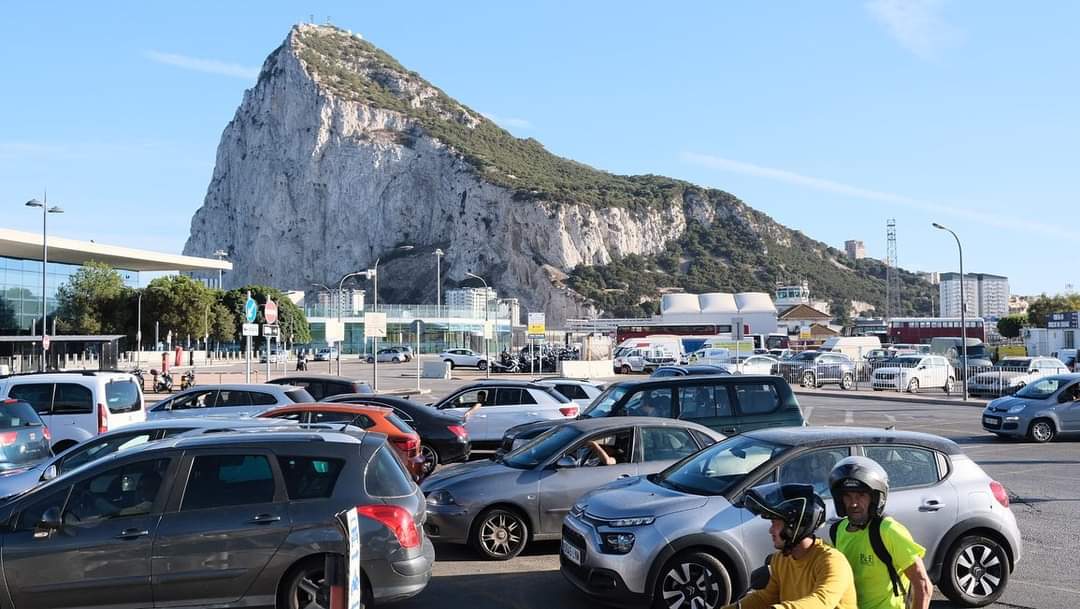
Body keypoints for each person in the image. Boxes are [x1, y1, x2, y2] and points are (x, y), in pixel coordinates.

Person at [724, 483, 857, 609]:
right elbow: (765, 598)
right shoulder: (780, 559)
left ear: (794, 524)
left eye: (775, 523)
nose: (771, 530)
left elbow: (822, 601)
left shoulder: (831, 561)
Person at [828, 457, 933, 609]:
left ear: (875, 498)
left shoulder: (888, 530)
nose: (854, 503)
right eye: (847, 496)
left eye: (861, 496)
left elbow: (923, 585)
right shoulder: (837, 531)